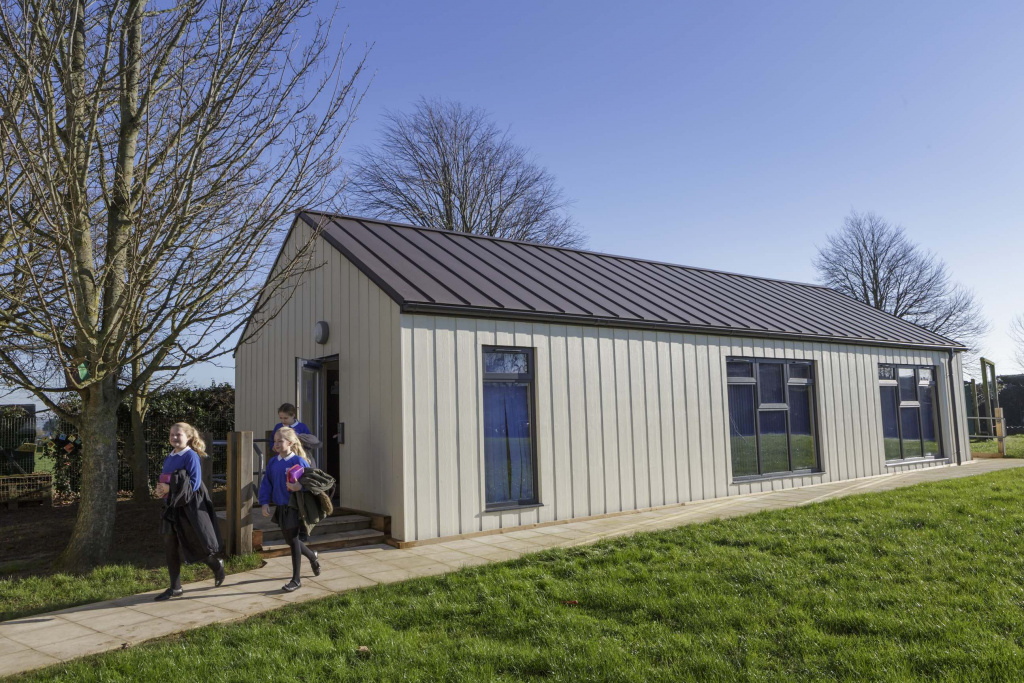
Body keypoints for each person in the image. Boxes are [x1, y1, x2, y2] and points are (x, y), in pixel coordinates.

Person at [153, 423, 225, 601]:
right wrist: (161, 490)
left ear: (189, 437)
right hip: (171, 508)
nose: (174, 438)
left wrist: (169, 489)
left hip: (189, 508)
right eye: (171, 434)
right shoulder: (169, 457)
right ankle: (175, 587)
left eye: (178, 435)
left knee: (196, 545)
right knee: (170, 545)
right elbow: (168, 480)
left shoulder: (191, 456)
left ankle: (216, 565)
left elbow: (194, 483)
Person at [258, 426, 321, 591]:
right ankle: (312, 556)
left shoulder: (298, 461)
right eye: (275, 441)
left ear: (291, 443)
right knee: (290, 540)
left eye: (280, 441)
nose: (276, 444)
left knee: (293, 542)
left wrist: (299, 486)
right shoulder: (273, 462)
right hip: (281, 507)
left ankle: (296, 580)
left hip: (294, 507)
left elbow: (310, 483)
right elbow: (267, 483)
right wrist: (264, 502)